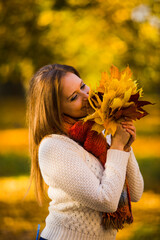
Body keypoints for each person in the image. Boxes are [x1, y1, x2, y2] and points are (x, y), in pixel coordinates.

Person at [26, 63, 144, 240]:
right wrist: (118, 147)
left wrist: (125, 148)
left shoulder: (98, 131)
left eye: (82, 86)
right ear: (55, 109)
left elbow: (135, 193)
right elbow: (107, 201)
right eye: (74, 97)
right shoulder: (54, 147)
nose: (86, 96)